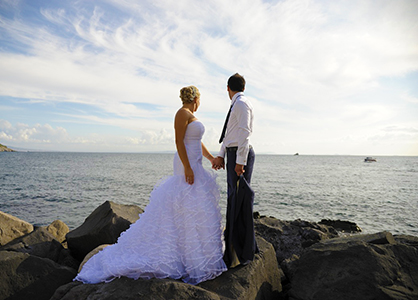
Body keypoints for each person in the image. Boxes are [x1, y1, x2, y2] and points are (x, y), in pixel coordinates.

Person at [74, 86, 227, 285]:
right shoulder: (182, 113)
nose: (200, 102)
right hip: (186, 163)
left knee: (194, 204)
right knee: (185, 198)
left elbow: (197, 141)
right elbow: (179, 142)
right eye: (200, 99)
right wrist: (188, 167)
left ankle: (191, 251)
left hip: (195, 162)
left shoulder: (191, 115)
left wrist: (210, 158)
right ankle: (182, 253)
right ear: (196, 98)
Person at [212, 73, 257, 268]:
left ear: (228, 88)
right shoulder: (236, 104)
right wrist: (222, 155)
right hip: (233, 154)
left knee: (239, 201)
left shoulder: (241, 104)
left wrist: (240, 161)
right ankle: (233, 251)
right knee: (233, 201)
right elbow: (229, 134)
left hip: (240, 156)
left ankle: (242, 252)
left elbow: (245, 133)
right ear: (243, 87)